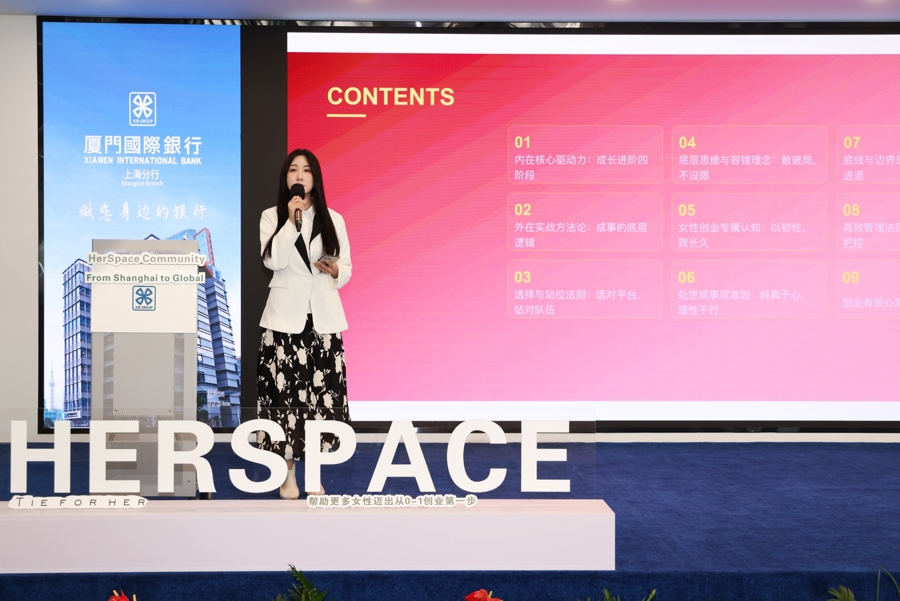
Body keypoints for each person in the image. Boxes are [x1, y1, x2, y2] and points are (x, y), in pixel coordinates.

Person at [257, 148, 352, 499]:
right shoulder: (272, 216)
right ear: (286, 178)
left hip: (322, 322)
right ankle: (288, 475)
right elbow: (273, 260)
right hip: (284, 322)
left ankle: (314, 473)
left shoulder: (334, 219)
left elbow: (347, 268)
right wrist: (290, 221)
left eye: (307, 170)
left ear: (315, 178)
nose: (300, 175)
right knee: (284, 400)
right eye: (294, 170)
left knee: (321, 402)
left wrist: (336, 269)